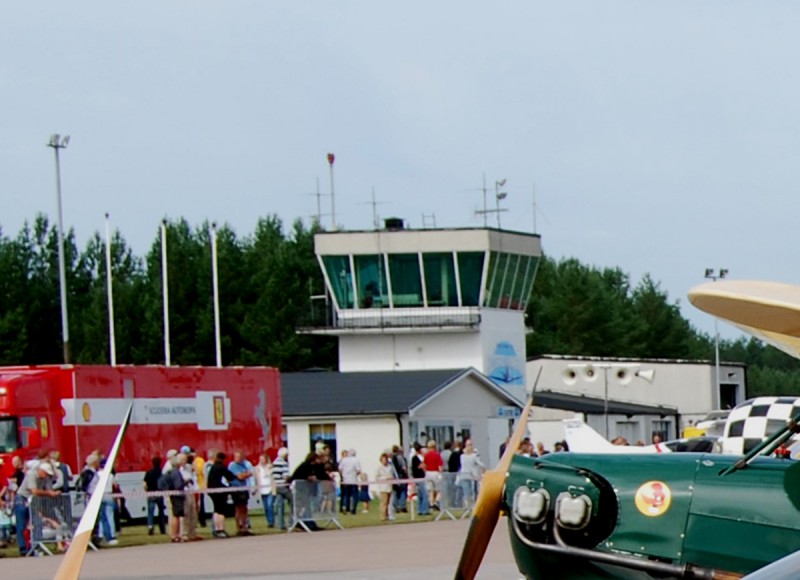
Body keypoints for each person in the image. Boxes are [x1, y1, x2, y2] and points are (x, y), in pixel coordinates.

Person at [206, 452, 235, 538]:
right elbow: (230, 476)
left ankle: (216, 529)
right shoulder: (221, 467)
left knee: (216, 510)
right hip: (220, 491)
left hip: (212, 491)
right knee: (221, 511)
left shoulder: (213, 467)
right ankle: (221, 529)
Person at [228, 450, 255, 536]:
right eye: (236, 457)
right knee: (238, 508)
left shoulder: (244, 464)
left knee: (244, 508)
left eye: (240, 457)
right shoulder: (232, 465)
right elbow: (240, 476)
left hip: (244, 488)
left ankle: (244, 527)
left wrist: (246, 474)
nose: (238, 459)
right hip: (236, 489)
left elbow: (250, 473)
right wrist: (246, 474)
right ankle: (238, 527)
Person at [143, 456, 166, 535]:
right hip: (159, 493)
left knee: (150, 512)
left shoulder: (148, 472)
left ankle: (150, 527)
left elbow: (145, 485)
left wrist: (147, 491)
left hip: (151, 493)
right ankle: (162, 528)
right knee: (161, 511)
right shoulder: (162, 472)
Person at [272, 447, 292, 530]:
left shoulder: (275, 462)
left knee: (280, 506)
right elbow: (285, 476)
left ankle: (281, 524)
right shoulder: (283, 463)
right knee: (293, 500)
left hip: (277, 485)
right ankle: (291, 521)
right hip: (283, 485)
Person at [338, 448, 361, 515]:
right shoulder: (356, 460)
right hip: (353, 480)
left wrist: (343, 476)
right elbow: (358, 470)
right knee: (355, 495)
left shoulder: (344, 460)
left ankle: (347, 508)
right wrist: (355, 475)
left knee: (347, 495)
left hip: (345, 480)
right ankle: (353, 509)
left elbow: (340, 469)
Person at [255, 452, 275, 527]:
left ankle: (271, 522)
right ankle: (268, 521)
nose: (261, 460)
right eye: (260, 459)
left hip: (270, 488)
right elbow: (256, 479)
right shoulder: (257, 468)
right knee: (266, 507)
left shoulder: (270, 467)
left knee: (270, 505)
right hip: (262, 490)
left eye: (263, 459)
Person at [410, 442, 430, 515]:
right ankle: (424, 509)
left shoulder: (416, 458)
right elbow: (422, 466)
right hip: (419, 478)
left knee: (420, 495)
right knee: (425, 494)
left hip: (420, 477)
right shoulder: (416, 458)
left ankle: (420, 509)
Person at [375, 453, 394, 521]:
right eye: (383, 460)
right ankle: (382, 516)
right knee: (384, 503)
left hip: (389, 486)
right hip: (383, 487)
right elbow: (377, 477)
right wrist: (385, 478)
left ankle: (388, 515)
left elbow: (392, 474)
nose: (384, 461)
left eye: (385, 459)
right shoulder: (379, 468)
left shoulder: (390, 466)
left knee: (388, 503)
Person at [390, 445, 409, 513]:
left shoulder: (391, 458)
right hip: (400, 476)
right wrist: (407, 475)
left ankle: (395, 506)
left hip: (393, 477)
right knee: (403, 491)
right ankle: (402, 505)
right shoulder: (400, 458)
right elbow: (404, 468)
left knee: (395, 491)